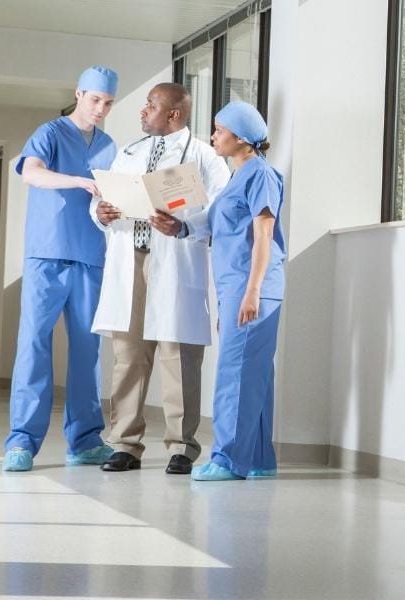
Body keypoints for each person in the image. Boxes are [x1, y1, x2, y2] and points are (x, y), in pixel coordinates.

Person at [89, 83, 230, 474]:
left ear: (175, 114)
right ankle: (124, 444)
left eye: (151, 105)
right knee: (128, 355)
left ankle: (181, 447)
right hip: (129, 258)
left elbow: (222, 210)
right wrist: (99, 213)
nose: (143, 111)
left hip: (174, 260)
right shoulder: (128, 153)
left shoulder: (204, 155)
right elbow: (101, 199)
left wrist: (184, 226)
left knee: (177, 355)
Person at [155, 101, 285, 481]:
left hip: (252, 286)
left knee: (236, 374)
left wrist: (252, 292)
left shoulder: (260, 174)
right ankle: (260, 459)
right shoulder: (237, 178)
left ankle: (228, 460)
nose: (213, 135)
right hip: (236, 286)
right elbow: (217, 227)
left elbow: (264, 234)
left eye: (219, 129)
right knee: (254, 373)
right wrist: (177, 228)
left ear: (241, 138)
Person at [2, 66, 119, 472]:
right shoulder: (50, 133)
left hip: (89, 256)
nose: (100, 108)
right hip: (47, 255)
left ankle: (85, 440)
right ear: (79, 94)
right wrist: (77, 180)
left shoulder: (109, 147)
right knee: (34, 344)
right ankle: (21, 442)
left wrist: (108, 211)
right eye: (94, 100)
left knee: (88, 352)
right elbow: (31, 173)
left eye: (107, 102)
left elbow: (108, 202)